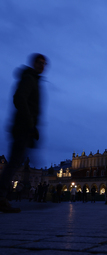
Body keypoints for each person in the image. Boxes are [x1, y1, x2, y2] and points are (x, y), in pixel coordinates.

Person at [0, 53, 47, 213]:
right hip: (23, 128)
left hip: (25, 127)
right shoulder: (29, 79)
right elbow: (19, 98)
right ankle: (1, 197)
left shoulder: (34, 79)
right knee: (13, 163)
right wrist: (29, 123)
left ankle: (2, 197)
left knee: (16, 162)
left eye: (44, 63)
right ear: (33, 63)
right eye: (39, 62)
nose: (42, 66)